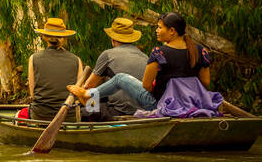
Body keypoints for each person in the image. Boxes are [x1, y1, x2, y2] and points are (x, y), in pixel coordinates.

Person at [68, 11, 211, 114]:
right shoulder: (199, 51)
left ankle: (89, 104)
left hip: (160, 105)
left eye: (160, 27)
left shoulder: (158, 52)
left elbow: (147, 86)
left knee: (119, 78)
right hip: (191, 103)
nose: (157, 30)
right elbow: (204, 83)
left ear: (172, 31)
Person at [75, 17, 149, 120]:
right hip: (143, 110)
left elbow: (88, 87)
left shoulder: (108, 54)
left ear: (112, 39)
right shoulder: (145, 57)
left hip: (119, 110)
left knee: (84, 110)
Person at [24, 17, 84, 121]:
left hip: (40, 115)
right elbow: (79, 93)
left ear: (44, 37)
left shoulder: (34, 58)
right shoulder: (76, 60)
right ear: (64, 38)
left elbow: (33, 94)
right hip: (68, 116)